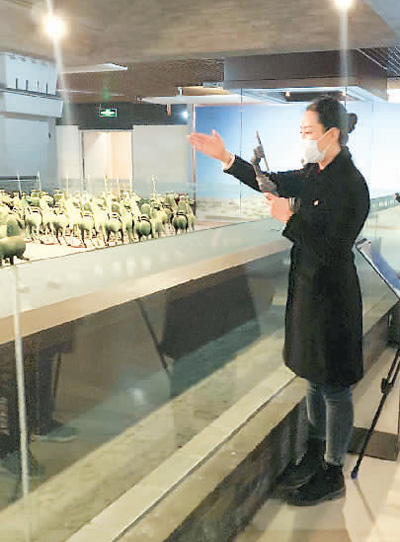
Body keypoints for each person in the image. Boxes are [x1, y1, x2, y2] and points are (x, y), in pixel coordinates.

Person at [189, 96, 370, 506]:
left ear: (332, 134)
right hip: (309, 292)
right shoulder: (314, 172)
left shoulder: (350, 184)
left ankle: (332, 471)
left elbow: (332, 249)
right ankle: (315, 453)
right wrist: (226, 158)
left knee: (335, 387)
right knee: (313, 376)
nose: (302, 139)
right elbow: (269, 182)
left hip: (334, 298)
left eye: (307, 132)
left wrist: (289, 219)